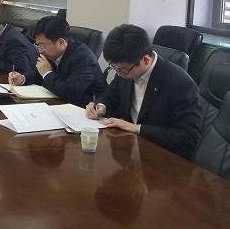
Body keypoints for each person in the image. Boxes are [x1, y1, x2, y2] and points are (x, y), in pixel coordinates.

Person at [85, 23, 202, 159]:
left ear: (145, 60)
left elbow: (189, 137)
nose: (119, 74)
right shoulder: (126, 70)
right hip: (129, 151)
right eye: (114, 68)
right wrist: (100, 106)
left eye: (122, 70)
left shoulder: (181, 83)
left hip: (162, 157)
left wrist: (137, 128)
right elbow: (110, 95)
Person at [8, 16, 108, 107]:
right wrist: (23, 78)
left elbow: (70, 93)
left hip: (88, 111)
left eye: (42, 45)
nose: (40, 50)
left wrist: (47, 73)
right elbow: (38, 72)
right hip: (60, 103)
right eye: (37, 45)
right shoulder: (49, 52)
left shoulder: (83, 58)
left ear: (61, 42)